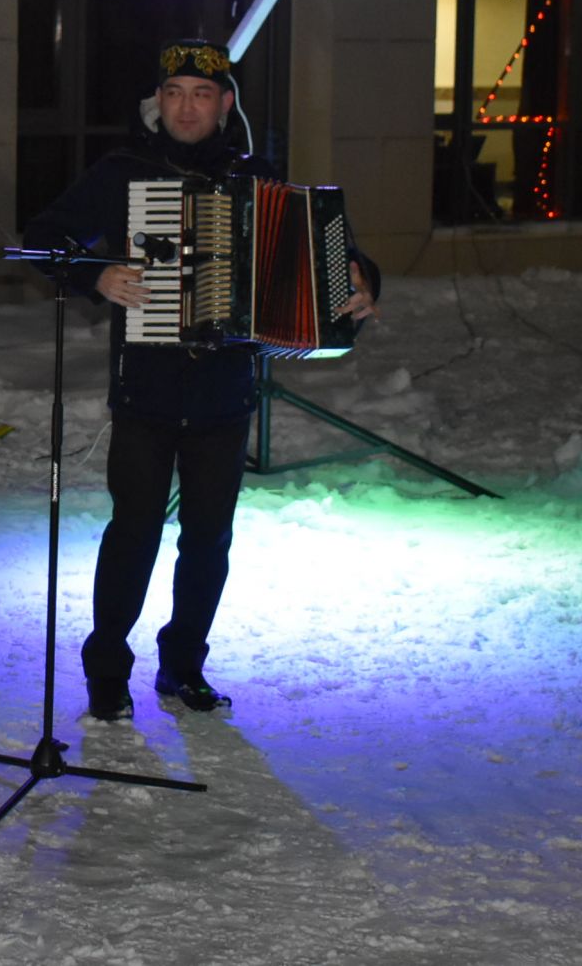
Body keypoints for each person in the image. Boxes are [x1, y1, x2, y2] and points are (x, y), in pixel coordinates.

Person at [22, 40, 379, 721]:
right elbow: (44, 237)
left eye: (203, 94)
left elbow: (323, 249)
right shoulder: (121, 172)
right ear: (158, 103)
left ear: (225, 104)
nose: (188, 106)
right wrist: (95, 273)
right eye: (176, 93)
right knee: (134, 531)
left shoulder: (256, 174)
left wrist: (362, 279)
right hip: (147, 389)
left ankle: (183, 663)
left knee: (208, 537)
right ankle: (107, 668)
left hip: (224, 392)